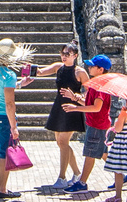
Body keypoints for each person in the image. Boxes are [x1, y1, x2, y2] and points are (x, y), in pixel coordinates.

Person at [0, 38, 33, 198]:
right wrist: (14, 126)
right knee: (5, 153)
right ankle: (2, 189)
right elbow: (9, 103)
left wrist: (18, 84)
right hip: (4, 118)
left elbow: (0, 89)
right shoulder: (9, 74)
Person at [37, 41, 91, 188]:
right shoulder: (58, 67)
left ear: (75, 55)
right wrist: (27, 69)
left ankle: (62, 177)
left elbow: (88, 94)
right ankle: (77, 173)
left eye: (67, 54)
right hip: (59, 107)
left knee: (63, 142)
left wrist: (75, 96)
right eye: (62, 53)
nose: (64, 56)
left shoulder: (80, 72)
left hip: (72, 109)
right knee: (61, 143)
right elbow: (40, 72)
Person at [60, 54, 114, 192]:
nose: (89, 68)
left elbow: (97, 107)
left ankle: (82, 182)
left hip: (97, 124)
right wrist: (75, 99)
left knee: (90, 153)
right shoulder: (96, 84)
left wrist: (76, 108)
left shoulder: (100, 86)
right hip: (98, 123)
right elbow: (90, 104)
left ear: (100, 69)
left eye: (92, 66)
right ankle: (121, 174)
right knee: (102, 152)